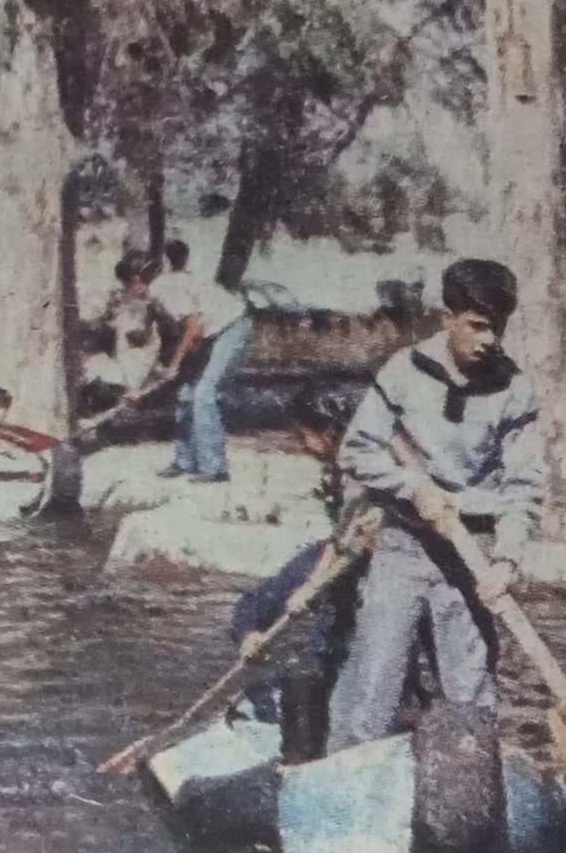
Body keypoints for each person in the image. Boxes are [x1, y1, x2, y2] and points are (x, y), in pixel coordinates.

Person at [325, 258, 545, 755]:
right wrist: (411, 488)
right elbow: (356, 451)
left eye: (499, 327)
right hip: (404, 546)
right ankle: (346, 790)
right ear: (448, 318)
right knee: (372, 690)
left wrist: (507, 558)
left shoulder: (516, 390)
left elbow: (523, 488)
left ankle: (472, 802)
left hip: (473, 554)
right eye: (477, 326)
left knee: (470, 693)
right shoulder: (403, 371)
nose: (489, 339)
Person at [228, 387, 369, 756]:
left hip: (365, 634)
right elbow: (257, 601)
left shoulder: (369, 477)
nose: (301, 445)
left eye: (303, 434)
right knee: (287, 677)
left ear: (329, 433)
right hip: (332, 608)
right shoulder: (322, 551)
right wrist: (249, 635)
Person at [122, 242, 254, 482]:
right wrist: (138, 387)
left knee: (204, 392)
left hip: (232, 326)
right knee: (185, 395)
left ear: (135, 280)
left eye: (128, 287)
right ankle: (185, 461)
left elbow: (193, 326)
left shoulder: (163, 288)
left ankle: (215, 469)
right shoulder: (156, 299)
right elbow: (155, 343)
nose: (130, 293)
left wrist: (175, 366)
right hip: (212, 333)